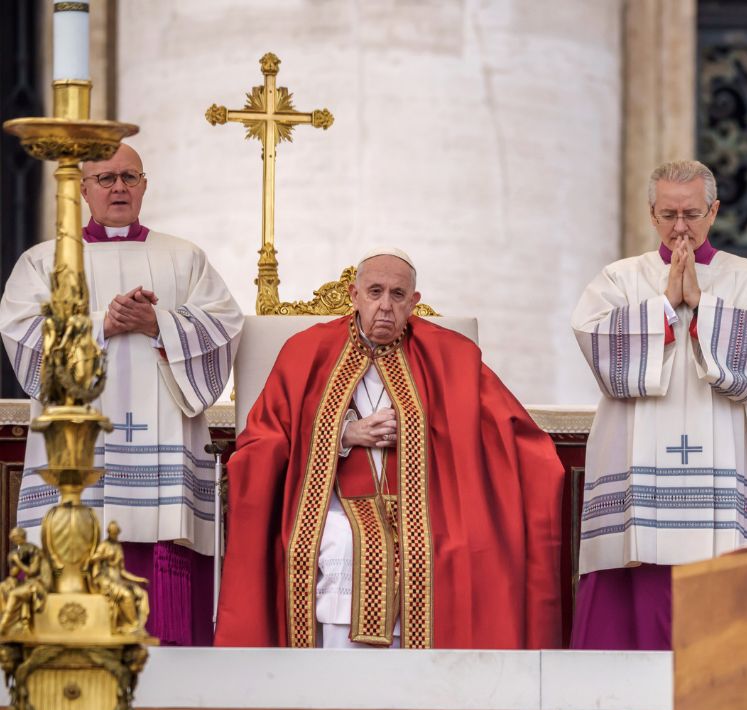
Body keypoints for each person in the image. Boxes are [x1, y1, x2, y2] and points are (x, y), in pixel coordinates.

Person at [214, 248, 564, 649]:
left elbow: (503, 428)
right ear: (354, 295)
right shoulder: (306, 351)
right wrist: (342, 434)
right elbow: (264, 436)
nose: (385, 306)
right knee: (343, 540)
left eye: (398, 295)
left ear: (414, 302)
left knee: (446, 547)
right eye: (375, 291)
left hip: (429, 504)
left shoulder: (451, 356)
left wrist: (427, 433)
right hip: (334, 502)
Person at [0, 143, 243, 646]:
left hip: (165, 447)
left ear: (145, 185)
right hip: (78, 444)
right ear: (82, 189)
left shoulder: (185, 257)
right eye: (106, 178)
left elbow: (224, 326)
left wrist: (161, 323)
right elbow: (21, 333)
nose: (119, 187)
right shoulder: (43, 262)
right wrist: (101, 325)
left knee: (163, 556)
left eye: (129, 177)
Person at [569, 160, 747, 649]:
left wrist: (702, 307)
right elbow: (597, 347)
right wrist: (667, 308)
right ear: (651, 213)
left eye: (691, 213)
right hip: (638, 467)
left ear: (713, 211)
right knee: (636, 568)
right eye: (668, 214)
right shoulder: (620, 279)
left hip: (720, 470)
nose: (679, 227)